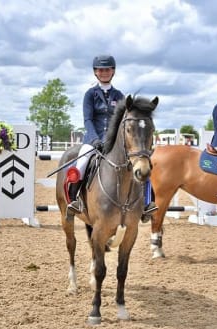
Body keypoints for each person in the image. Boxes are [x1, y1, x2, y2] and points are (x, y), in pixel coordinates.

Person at [67, 54, 157, 220]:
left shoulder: (119, 95)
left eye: (107, 69)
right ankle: (74, 200)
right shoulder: (90, 94)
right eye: (101, 70)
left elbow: (124, 123)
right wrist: (95, 140)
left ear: (113, 71)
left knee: (143, 167)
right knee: (82, 163)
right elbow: (88, 120)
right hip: (94, 140)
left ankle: (147, 204)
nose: (104, 73)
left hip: (114, 142)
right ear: (95, 72)